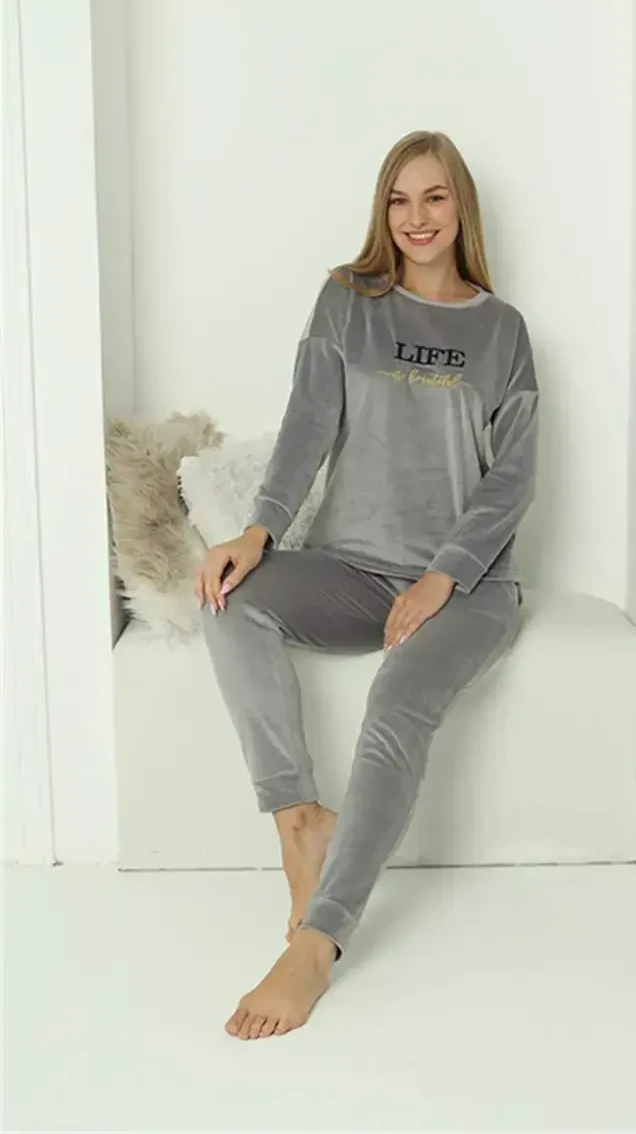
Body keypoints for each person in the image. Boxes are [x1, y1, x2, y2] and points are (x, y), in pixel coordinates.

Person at [195, 129, 540, 1040]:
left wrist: (442, 578)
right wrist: (258, 533)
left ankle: (319, 941)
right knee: (229, 601)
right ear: (381, 212)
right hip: (352, 567)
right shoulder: (347, 303)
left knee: (396, 701)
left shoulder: (500, 330)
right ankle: (296, 818)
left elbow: (511, 478)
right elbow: (307, 424)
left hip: (469, 586)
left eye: (434, 197)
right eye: (398, 199)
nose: (416, 217)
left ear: (460, 207)